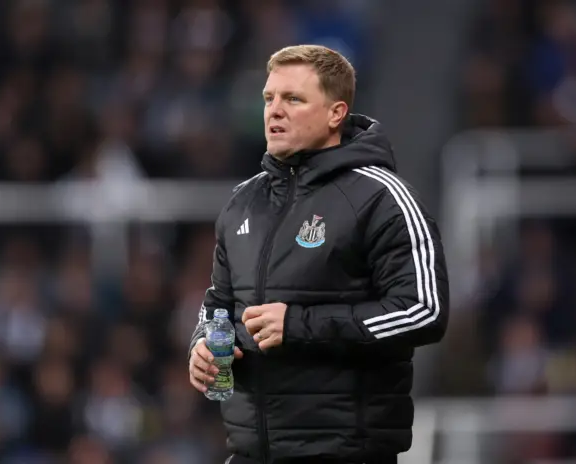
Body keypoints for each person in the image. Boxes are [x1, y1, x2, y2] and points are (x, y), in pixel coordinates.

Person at [188, 44, 449, 464]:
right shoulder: (243, 201)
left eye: (293, 99)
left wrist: (298, 324)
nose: (275, 110)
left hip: (344, 452)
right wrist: (202, 344)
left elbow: (423, 310)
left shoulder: (382, 197)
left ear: (335, 114)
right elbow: (218, 303)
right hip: (250, 452)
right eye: (269, 98)